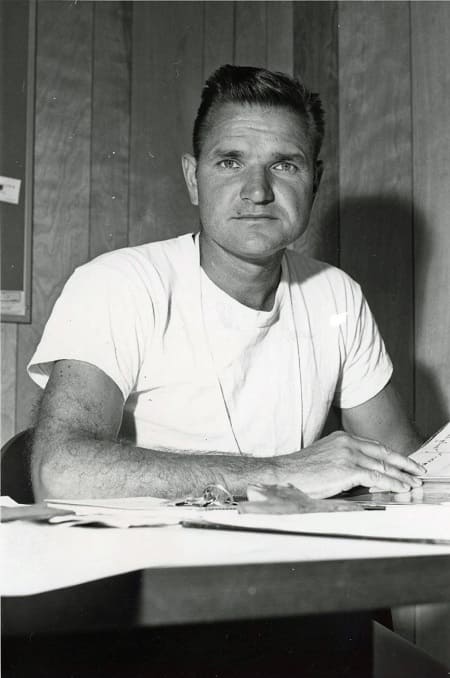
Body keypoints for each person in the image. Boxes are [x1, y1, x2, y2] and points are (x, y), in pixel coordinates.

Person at [28, 65, 424, 501]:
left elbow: (409, 467)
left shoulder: (336, 294)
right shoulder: (119, 283)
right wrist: (282, 472)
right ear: (193, 178)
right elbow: (59, 472)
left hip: (278, 556)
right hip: (150, 557)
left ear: (315, 181)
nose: (257, 191)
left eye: (285, 164)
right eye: (230, 162)